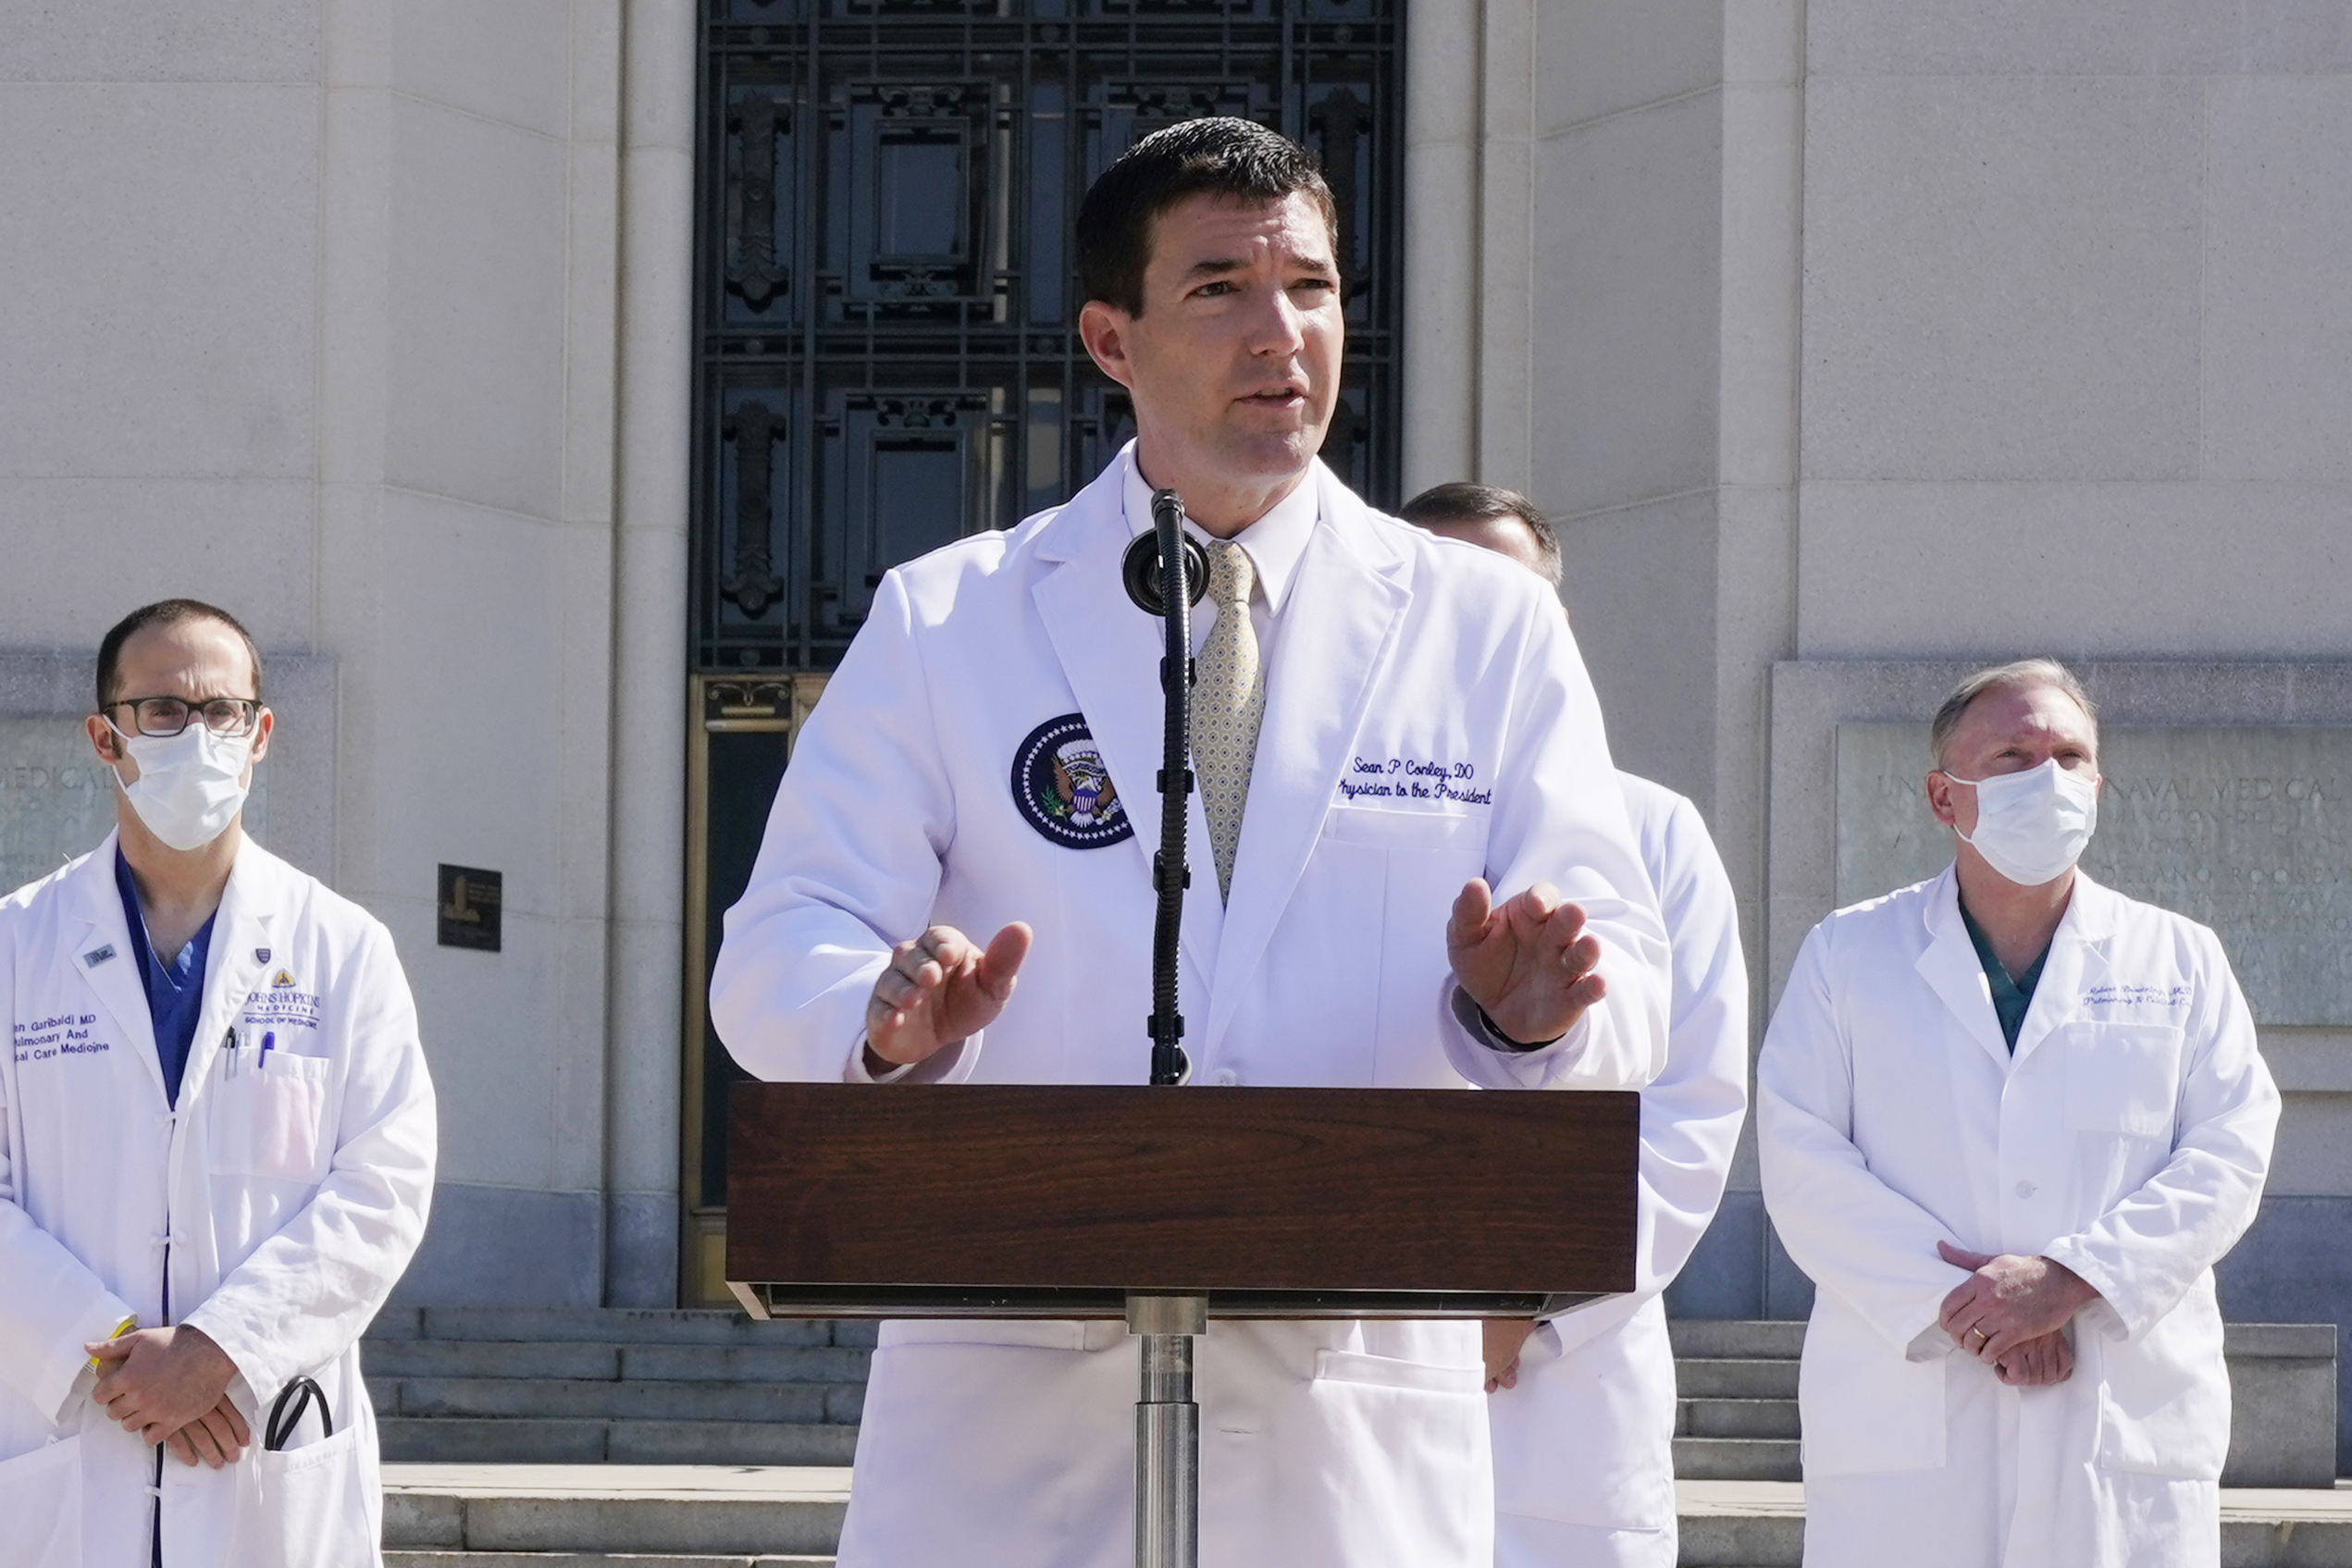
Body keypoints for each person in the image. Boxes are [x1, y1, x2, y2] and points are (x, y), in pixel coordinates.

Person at [711, 120, 1671, 1568]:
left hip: (1341, 1426)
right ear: (1111, 337)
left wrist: (1523, 1016)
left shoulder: (1484, 626)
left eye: (1313, 287)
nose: (1280, 333)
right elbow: (776, 950)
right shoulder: (949, 617)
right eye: (1219, 286)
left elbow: (1629, 970)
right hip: (1010, 1424)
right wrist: (887, 1022)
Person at [1757, 659, 2278, 1567]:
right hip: (1912, 1398)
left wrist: (2070, 1281)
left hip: (2115, 1402)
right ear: (1941, 796)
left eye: (2069, 756)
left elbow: (2229, 1151)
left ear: (2097, 786)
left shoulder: (2179, 959)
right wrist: (1977, 1310)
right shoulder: (1847, 954)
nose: (2048, 779)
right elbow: (1800, 1159)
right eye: (2010, 756)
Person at [0, 599, 438, 1568]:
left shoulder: (342, 951)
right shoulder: (14, 947)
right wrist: (112, 1351)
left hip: (263, 1432)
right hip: (67, 1436)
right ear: (103, 737)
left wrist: (221, 1351)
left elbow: (383, 1187)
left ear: (261, 734)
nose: (195, 738)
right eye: (160, 711)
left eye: (222, 712)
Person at [1400, 482, 1750, 1568]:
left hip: (1569, 1368)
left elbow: (1690, 1106)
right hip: (1356, 1342)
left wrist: (1532, 1304)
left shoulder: (1651, 830)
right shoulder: (1312, 812)